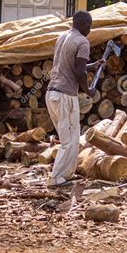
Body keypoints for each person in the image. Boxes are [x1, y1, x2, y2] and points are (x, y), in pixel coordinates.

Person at [45, 10, 103, 187]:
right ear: (84, 24)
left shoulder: (62, 37)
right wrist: (88, 90)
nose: (90, 30)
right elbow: (80, 71)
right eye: (90, 26)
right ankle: (55, 178)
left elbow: (71, 65)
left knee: (71, 136)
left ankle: (66, 175)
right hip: (65, 95)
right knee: (69, 140)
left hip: (52, 94)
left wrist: (94, 65)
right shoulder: (83, 41)